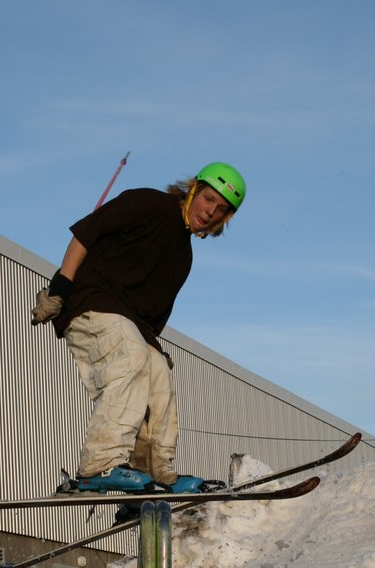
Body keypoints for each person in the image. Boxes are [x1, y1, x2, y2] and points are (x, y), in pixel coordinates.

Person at [31, 162, 246, 495]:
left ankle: (152, 476)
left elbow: (149, 318)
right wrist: (60, 287)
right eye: (207, 199)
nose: (210, 212)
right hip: (90, 301)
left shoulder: (183, 256)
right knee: (130, 357)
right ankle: (98, 465)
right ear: (193, 189)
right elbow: (86, 234)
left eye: (220, 211)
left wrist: (153, 351)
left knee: (158, 372)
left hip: (129, 323)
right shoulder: (148, 204)